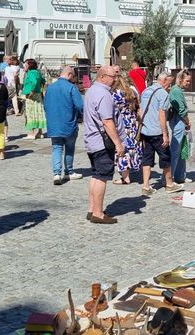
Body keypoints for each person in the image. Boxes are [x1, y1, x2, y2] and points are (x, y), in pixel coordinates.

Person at [83, 66, 123, 224]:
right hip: (102, 141)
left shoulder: (91, 90)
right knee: (102, 177)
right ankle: (98, 213)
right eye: (113, 76)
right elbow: (107, 121)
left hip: (92, 140)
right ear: (102, 77)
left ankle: (92, 209)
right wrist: (118, 143)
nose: (115, 80)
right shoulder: (103, 94)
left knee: (95, 175)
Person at [139, 72, 184, 196]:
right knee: (165, 156)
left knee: (147, 158)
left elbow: (140, 111)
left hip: (145, 131)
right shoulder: (162, 93)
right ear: (163, 80)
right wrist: (165, 134)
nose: (169, 88)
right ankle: (169, 184)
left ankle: (146, 186)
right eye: (169, 84)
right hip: (156, 131)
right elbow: (162, 114)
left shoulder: (146, 91)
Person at [45, 66, 84, 185]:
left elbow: (45, 106)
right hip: (68, 123)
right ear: (70, 75)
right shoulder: (71, 87)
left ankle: (56, 173)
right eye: (73, 76)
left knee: (56, 147)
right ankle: (69, 172)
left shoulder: (50, 88)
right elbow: (80, 105)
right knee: (69, 148)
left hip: (54, 123)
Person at [113, 71, 144, 185]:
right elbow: (138, 105)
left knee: (122, 148)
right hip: (133, 122)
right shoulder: (132, 91)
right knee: (133, 147)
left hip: (122, 123)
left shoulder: (115, 94)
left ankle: (125, 177)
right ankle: (134, 166)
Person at [169, 70, 192, 184]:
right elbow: (181, 110)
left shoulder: (178, 90)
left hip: (180, 122)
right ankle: (170, 177)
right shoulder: (176, 91)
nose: (188, 83)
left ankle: (180, 175)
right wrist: (187, 121)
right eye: (187, 81)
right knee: (175, 150)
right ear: (181, 79)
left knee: (182, 149)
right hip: (178, 122)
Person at [22, 59, 46, 139]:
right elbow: (43, 81)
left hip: (31, 95)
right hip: (38, 94)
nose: (24, 67)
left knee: (30, 112)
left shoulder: (30, 73)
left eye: (25, 65)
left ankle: (32, 133)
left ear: (29, 66)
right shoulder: (37, 72)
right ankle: (40, 132)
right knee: (39, 111)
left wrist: (31, 91)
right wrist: (42, 89)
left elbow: (34, 82)